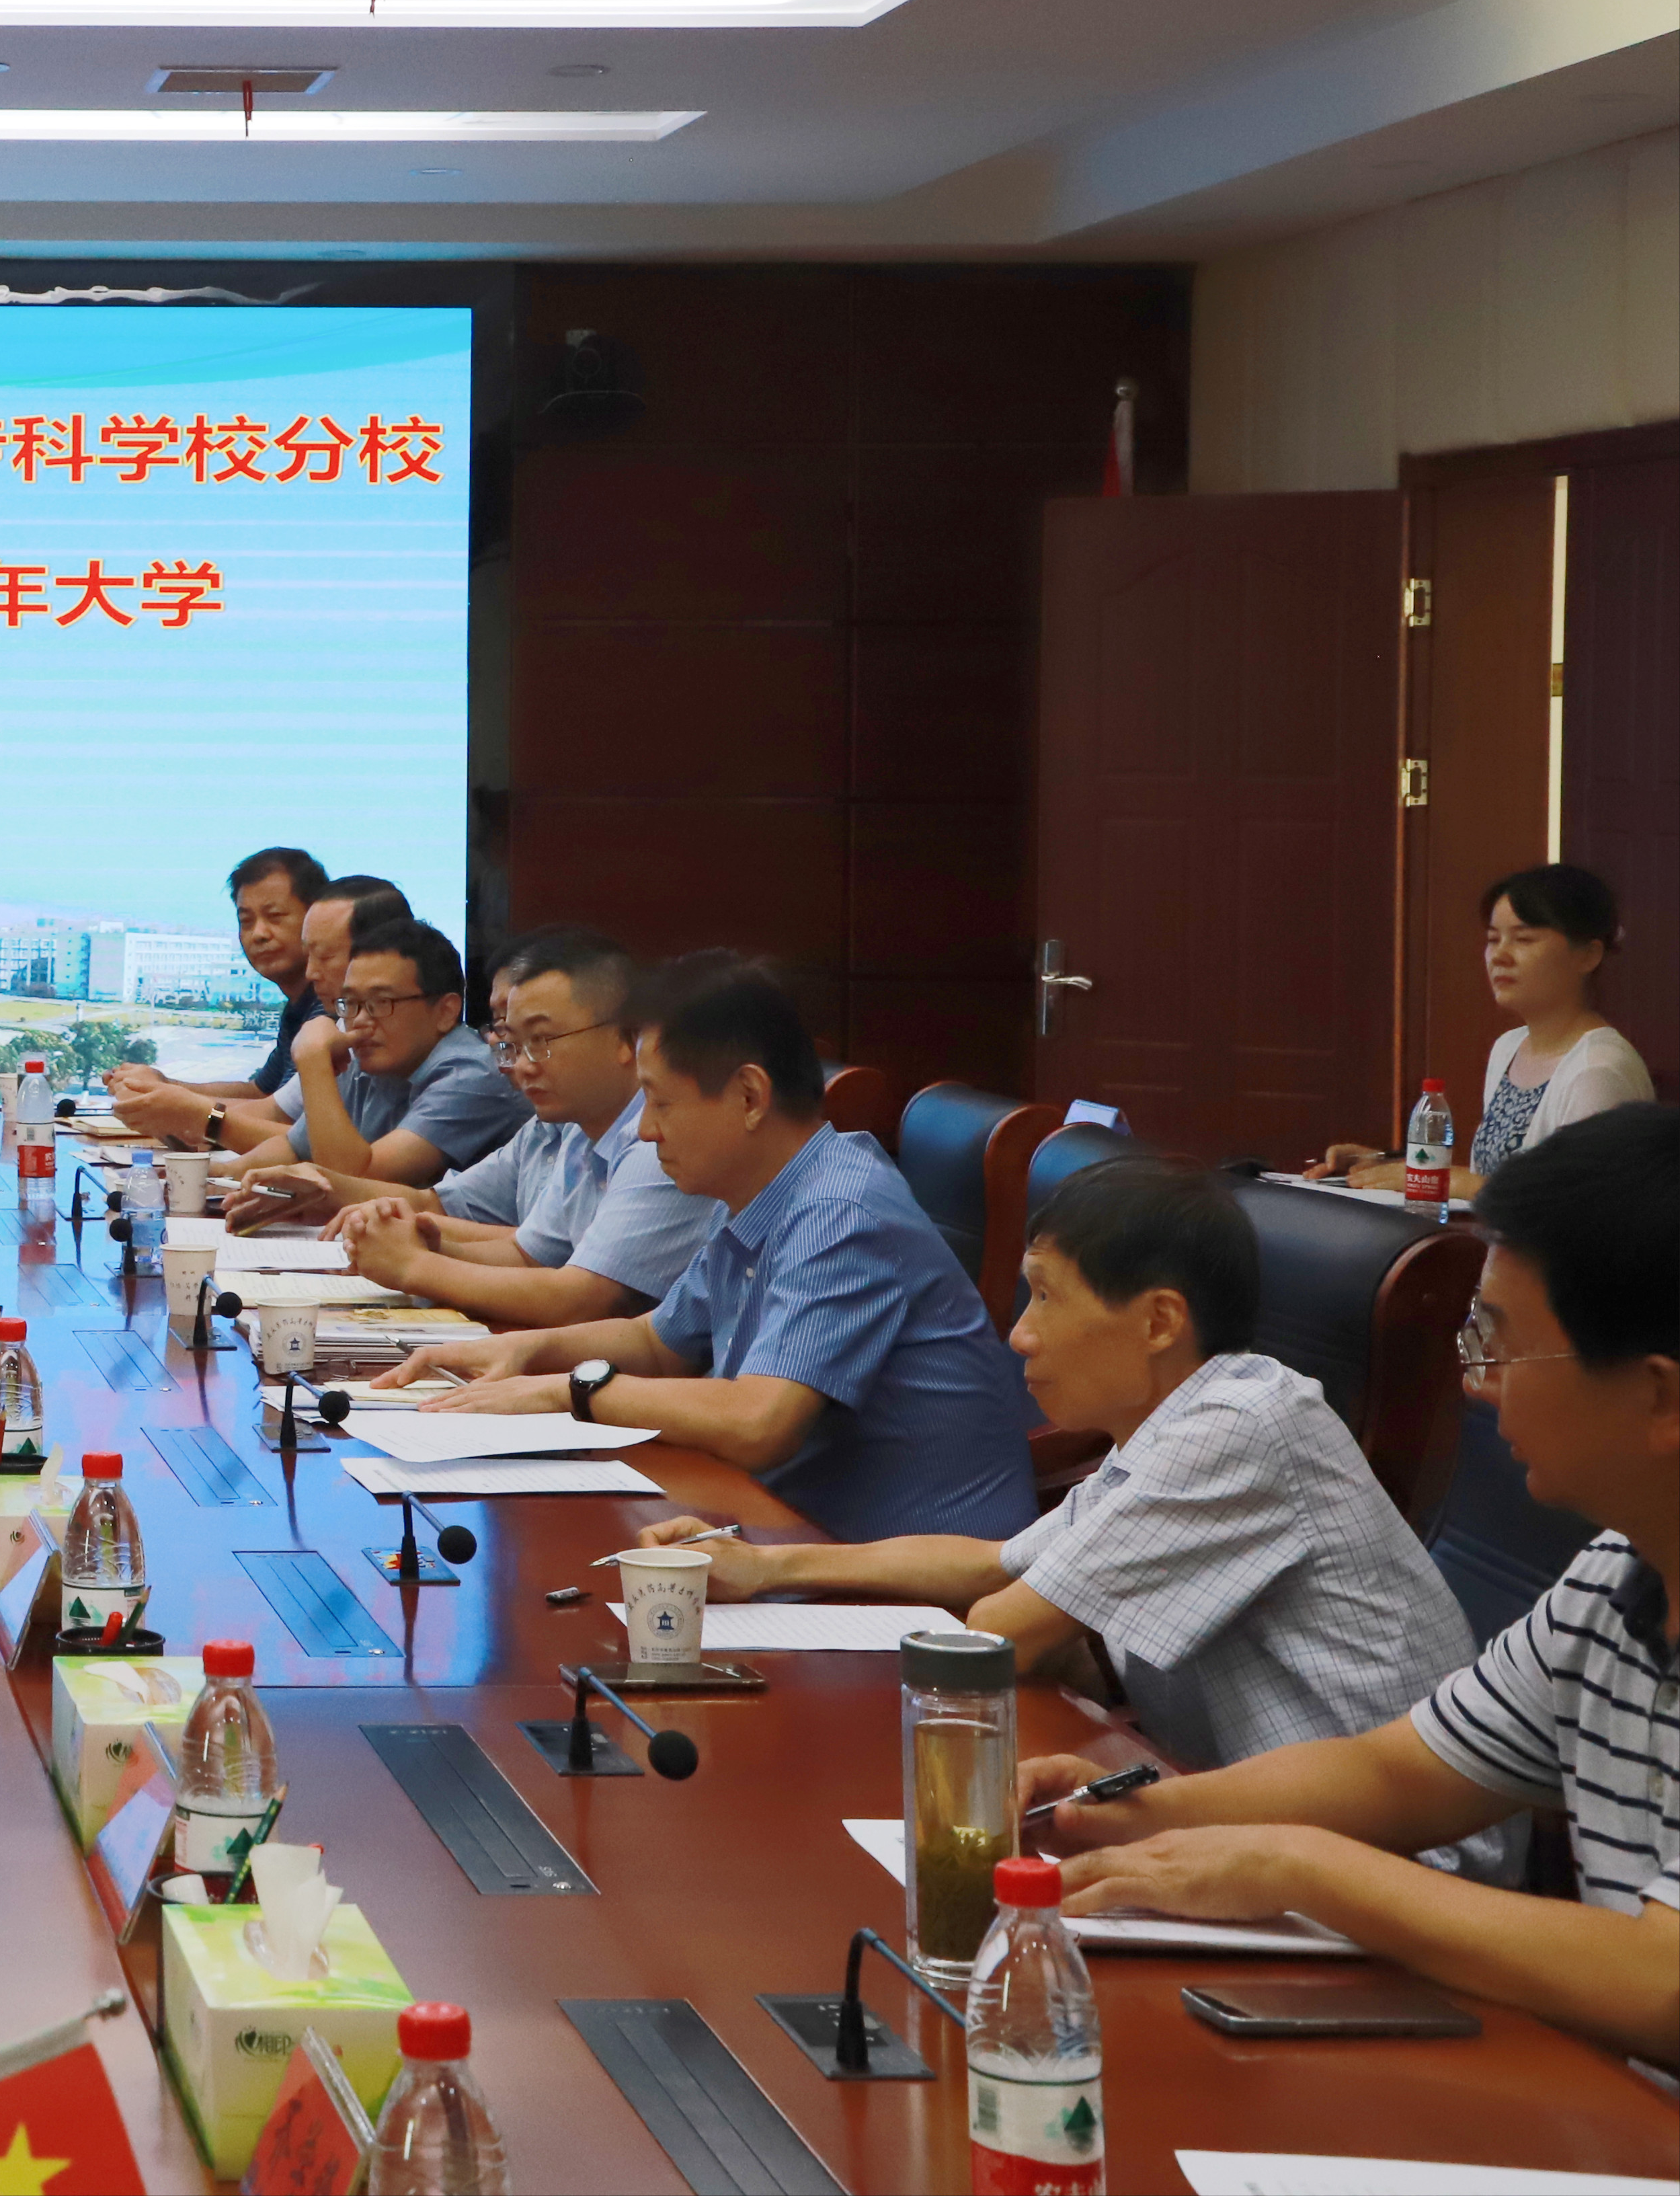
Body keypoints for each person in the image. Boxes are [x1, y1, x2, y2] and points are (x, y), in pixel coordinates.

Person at [1023, 1107, 1679, 2065]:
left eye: (1498, 1342)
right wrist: (1133, 1809)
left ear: (1659, 1396)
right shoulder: (1615, 1578)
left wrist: (1299, 1866)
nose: (1476, 1382)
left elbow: (1664, 1980)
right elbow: (1396, 1773)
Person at [635, 1156, 1487, 1796]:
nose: (1020, 1333)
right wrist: (764, 1566)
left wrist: (809, 1676)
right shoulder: (1170, 1423)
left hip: (1391, 1862)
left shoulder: (1240, 1426)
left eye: (1045, 1297)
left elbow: (1005, 1628)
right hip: (1244, 1811)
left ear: (1158, 1321)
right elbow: (996, 1563)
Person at [387, 953, 1039, 1541]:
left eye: (660, 1102)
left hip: (916, 1586)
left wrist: (573, 1390)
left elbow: (758, 1422)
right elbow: (656, 1342)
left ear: (750, 1096)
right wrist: (525, 1351)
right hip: (787, 1529)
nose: (645, 1131)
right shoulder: (762, 1192)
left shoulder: (840, 1213)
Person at [310, 929, 723, 1327]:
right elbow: (528, 1255)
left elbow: (582, 1300)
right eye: (514, 1044)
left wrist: (415, 1266)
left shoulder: (656, 1141)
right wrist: (428, 1242)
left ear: (624, 1039)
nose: (522, 1065)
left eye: (541, 1040)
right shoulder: (579, 1129)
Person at [1310, 864, 1650, 1200]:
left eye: (1524, 939)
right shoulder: (1509, 1048)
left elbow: (1585, 1209)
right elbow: (1496, 1180)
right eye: (1493, 939)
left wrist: (1452, 1182)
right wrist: (1398, 1168)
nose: (1499, 956)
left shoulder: (1598, 1070)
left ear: (1589, 955)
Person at [110, 859, 395, 1147]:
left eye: (275, 916)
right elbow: (268, 1100)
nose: (259, 933)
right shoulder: (312, 1009)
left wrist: (191, 1114)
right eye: (246, 921)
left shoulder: (333, 1017)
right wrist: (167, 1094)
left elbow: (305, 1139)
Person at [240, 916, 526, 1187]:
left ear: (445, 1011)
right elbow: (294, 1148)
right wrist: (220, 1176)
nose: (361, 1020)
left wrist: (313, 1059)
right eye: (351, 1003)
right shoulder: (367, 1058)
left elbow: (353, 1180)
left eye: (380, 1002)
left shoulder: (473, 1074)